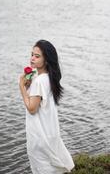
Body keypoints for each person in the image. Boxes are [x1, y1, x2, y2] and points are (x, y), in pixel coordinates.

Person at [19, 40, 75, 174]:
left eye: (37, 56)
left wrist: (21, 86)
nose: (32, 58)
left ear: (47, 60)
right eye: (32, 54)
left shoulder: (38, 81)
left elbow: (32, 109)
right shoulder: (49, 78)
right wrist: (29, 88)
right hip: (50, 133)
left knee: (42, 169)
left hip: (39, 136)